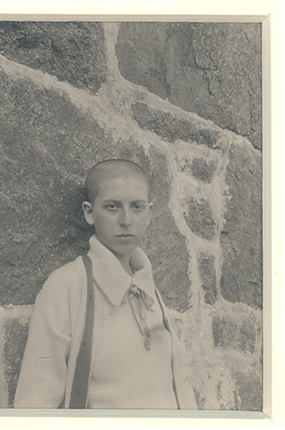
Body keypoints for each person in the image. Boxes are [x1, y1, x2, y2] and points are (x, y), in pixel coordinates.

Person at [14, 159, 197, 409]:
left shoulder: (149, 288)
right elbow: (35, 400)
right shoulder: (66, 285)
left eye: (137, 207)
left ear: (150, 213)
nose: (126, 220)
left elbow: (179, 391)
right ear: (90, 212)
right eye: (112, 207)